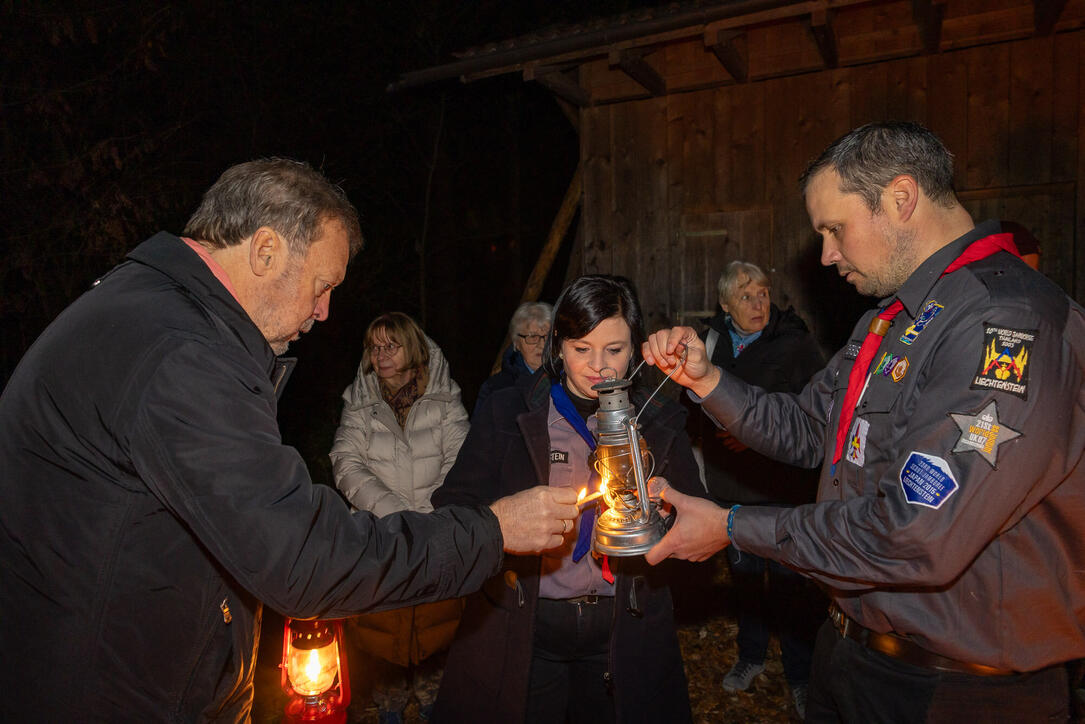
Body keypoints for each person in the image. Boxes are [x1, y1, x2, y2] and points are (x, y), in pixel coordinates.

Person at [0, 158, 578, 722]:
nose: (324, 312)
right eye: (322, 285)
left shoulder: (146, 312)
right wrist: (492, 530)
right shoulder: (181, 355)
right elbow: (302, 556)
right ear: (267, 250)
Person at [641, 122, 1085, 722]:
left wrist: (734, 526)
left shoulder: (1006, 322)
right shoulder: (891, 320)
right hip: (850, 653)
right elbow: (808, 426)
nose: (825, 254)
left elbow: (915, 535)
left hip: (958, 690)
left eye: (834, 228)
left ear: (901, 199)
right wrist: (707, 380)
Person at [430, 275, 703, 724]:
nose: (598, 366)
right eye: (581, 349)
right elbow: (455, 507)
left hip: (623, 631)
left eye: (614, 350)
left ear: (634, 350)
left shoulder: (657, 421)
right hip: (528, 632)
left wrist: (663, 517)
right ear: (557, 347)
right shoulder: (507, 410)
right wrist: (509, 522)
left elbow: (699, 525)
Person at [694, 261, 825, 718]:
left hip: (781, 487)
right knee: (746, 581)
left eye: (764, 293)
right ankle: (751, 657)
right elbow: (690, 403)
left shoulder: (794, 342)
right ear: (726, 304)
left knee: (791, 584)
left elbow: (819, 409)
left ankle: (801, 676)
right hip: (732, 484)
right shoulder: (709, 344)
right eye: (746, 297)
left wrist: (756, 426)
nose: (758, 304)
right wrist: (717, 426)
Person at [330, 312, 469, 723]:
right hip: (382, 536)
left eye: (391, 345)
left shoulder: (445, 399)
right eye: (375, 347)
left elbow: (460, 459)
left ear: (413, 348)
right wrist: (394, 513)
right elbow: (345, 461)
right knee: (382, 631)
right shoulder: (360, 402)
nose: (381, 354)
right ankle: (389, 707)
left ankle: (431, 705)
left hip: (435, 533)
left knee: (436, 628)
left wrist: (430, 517)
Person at [474, 300, 552, 415]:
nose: (541, 345)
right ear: (516, 343)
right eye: (532, 337)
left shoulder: (571, 380)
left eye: (547, 337)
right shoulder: (496, 388)